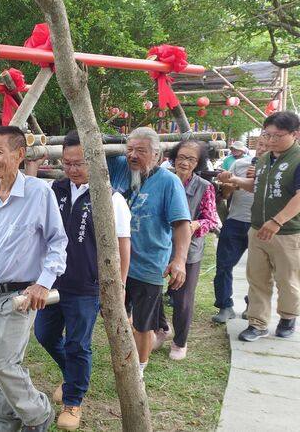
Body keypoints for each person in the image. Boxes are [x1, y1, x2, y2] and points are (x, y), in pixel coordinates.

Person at [0, 125, 67, 432]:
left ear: (19, 154)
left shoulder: (38, 193)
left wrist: (43, 283)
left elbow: (58, 242)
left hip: (21, 295)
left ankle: (38, 416)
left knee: (3, 364)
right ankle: (5, 418)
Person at [33, 131, 131, 431]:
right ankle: (73, 376)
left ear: (95, 161)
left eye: (79, 163)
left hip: (86, 284)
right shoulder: (55, 189)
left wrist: (119, 286)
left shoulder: (110, 197)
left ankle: (74, 400)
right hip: (53, 281)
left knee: (78, 343)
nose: (73, 169)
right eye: (67, 163)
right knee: (45, 334)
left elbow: (122, 244)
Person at [107, 127, 191, 377]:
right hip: (118, 263)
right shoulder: (120, 167)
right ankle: (123, 356)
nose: (133, 155)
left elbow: (182, 224)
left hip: (148, 265)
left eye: (141, 151)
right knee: (116, 315)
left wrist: (179, 260)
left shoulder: (168, 182)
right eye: (129, 149)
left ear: (157, 154)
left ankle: (139, 370)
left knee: (144, 323)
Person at [219, 111, 300, 341]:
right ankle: (257, 322)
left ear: (295, 134)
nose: (271, 140)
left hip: (287, 232)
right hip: (257, 228)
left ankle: (287, 316)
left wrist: (277, 221)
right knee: (257, 277)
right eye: (267, 134)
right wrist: (235, 181)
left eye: (277, 136)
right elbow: (257, 186)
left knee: (287, 279)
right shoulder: (265, 159)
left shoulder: (297, 159)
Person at [153, 140, 219, 360]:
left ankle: (180, 342)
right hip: (159, 245)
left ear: (198, 162)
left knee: (182, 298)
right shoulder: (160, 179)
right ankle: (162, 328)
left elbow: (211, 220)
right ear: (173, 157)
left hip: (188, 250)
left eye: (191, 159)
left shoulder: (204, 186)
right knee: (151, 291)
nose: (184, 162)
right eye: (181, 157)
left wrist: (196, 224)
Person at [212, 136, 267, 323]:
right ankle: (224, 306)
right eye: (260, 145)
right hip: (235, 221)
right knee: (224, 265)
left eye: (266, 147)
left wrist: (260, 177)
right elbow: (226, 195)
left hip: (262, 225)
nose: (262, 149)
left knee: (259, 270)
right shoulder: (240, 164)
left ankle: (253, 305)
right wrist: (229, 185)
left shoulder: (277, 170)